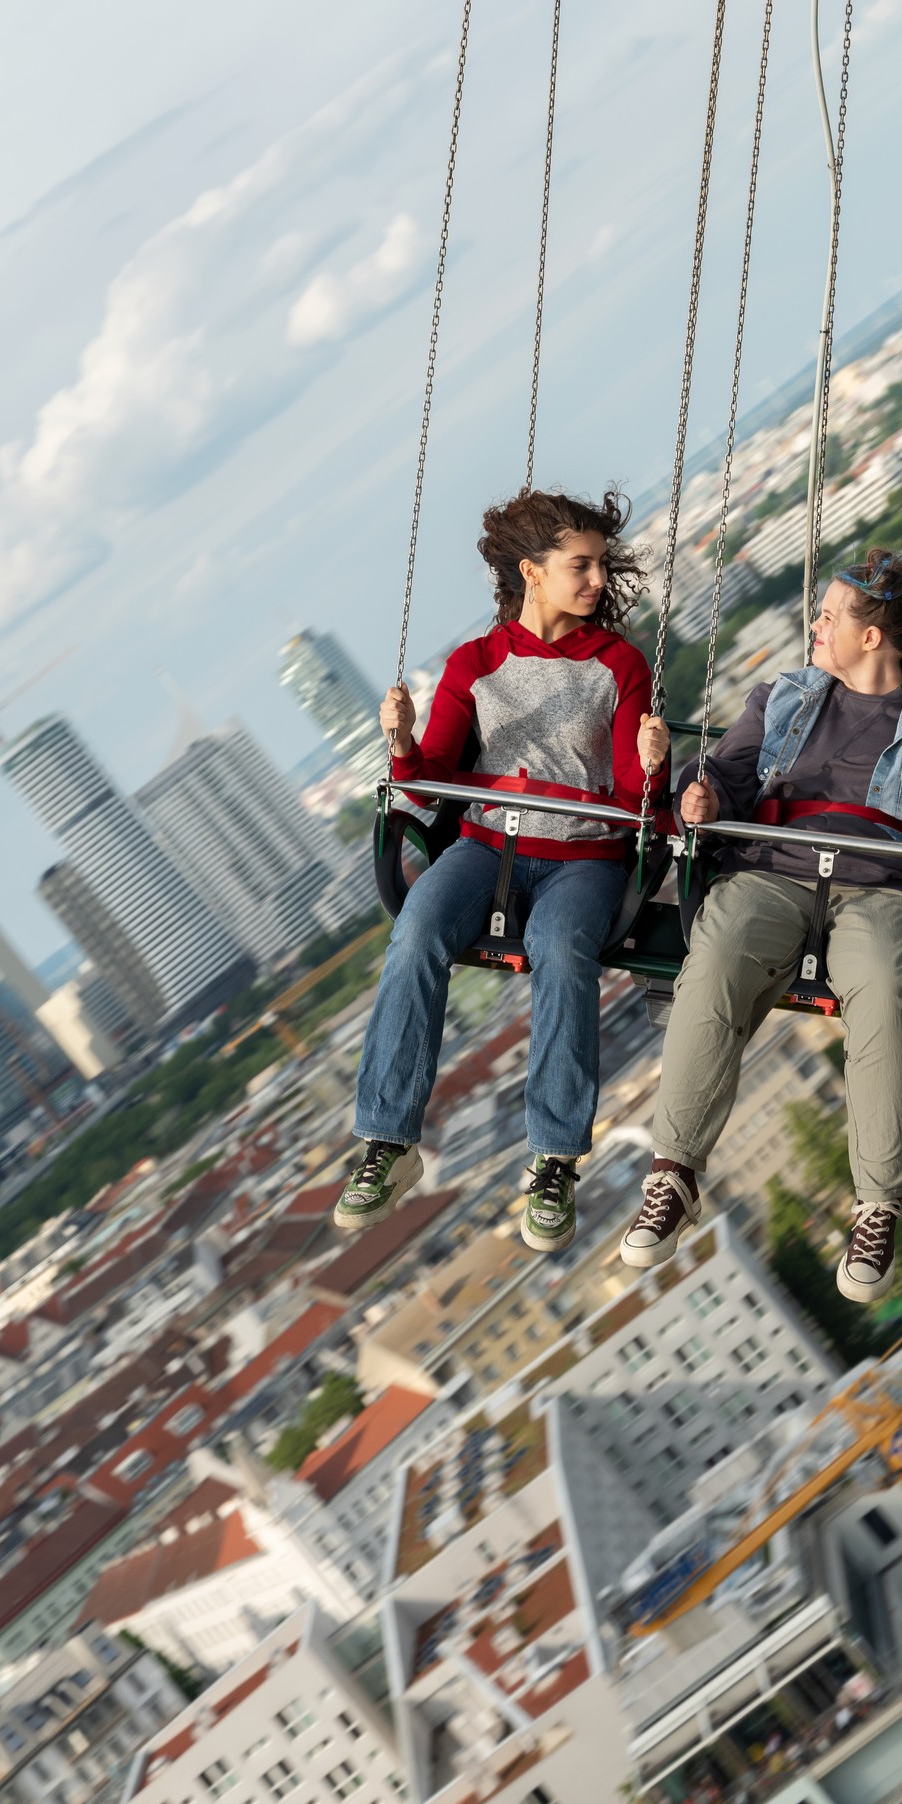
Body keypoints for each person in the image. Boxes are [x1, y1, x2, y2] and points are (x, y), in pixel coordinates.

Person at [620, 547, 902, 1301]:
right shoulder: (783, 698)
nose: (815, 626)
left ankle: (877, 1199)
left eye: (829, 617)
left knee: (885, 987)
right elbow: (724, 780)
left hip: (885, 887)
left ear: (871, 637)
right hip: (775, 869)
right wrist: (697, 797)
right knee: (715, 962)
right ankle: (674, 1171)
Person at [335, 487, 669, 1255]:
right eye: (579, 566)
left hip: (582, 858)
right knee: (417, 928)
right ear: (532, 571)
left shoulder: (618, 664)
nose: (595, 581)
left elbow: (631, 794)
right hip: (487, 848)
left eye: (599, 566)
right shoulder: (475, 664)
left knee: (560, 949)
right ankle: (388, 1144)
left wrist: (654, 767)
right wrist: (402, 743)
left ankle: (553, 1159)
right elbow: (428, 785)